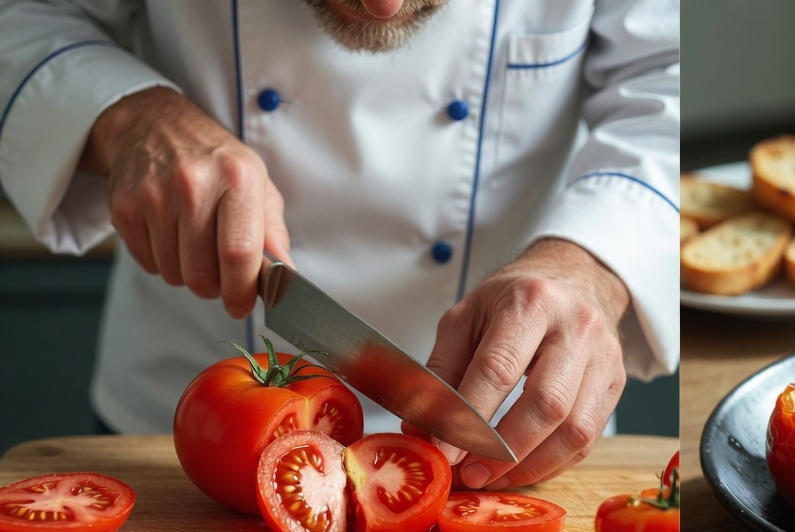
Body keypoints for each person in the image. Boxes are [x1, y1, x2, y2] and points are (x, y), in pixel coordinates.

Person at [0, 0, 679, 490]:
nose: (384, 6)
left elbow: (663, 74)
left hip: (516, 419)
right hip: (184, 425)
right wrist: (127, 117)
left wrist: (593, 263)